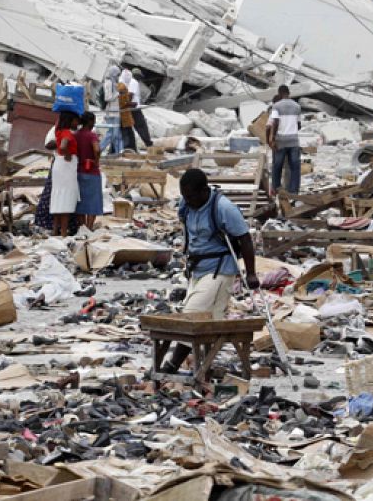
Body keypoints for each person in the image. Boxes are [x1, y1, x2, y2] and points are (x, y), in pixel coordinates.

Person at [162, 169, 260, 374]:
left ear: (204, 191)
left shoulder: (223, 207)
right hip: (197, 269)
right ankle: (204, 369)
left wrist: (251, 273)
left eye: (191, 196)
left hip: (220, 269)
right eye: (184, 196)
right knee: (209, 322)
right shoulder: (186, 205)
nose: (187, 200)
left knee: (192, 317)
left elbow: (244, 238)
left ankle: (171, 366)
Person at [266, 85, 302, 194]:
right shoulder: (297, 106)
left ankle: (277, 188)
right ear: (289, 93)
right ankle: (293, 191)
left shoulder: (276, 106)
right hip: (294, 140)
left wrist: (272, 138)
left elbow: (275, 122)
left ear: (280, 93)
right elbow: (299, 125)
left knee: (277, 165)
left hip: (280, 140)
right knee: (295, 167)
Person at [50, 111, 81, 237]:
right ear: (71, 120)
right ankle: (63, 232)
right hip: (66, 166)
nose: (78, 123)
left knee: (58, 197)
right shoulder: (67, 133)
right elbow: (63, 146)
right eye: (76, 120)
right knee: (66, 199)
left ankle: (55, 230)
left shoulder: (59, 130)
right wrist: (68, 154)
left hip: (59, 164)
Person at [74, 112, 102, 230]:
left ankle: (82, 227)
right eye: (93, 121)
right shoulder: (92, 135)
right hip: (91, 171)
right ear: (90, 122)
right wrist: (96, 161)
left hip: (78, 171)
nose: (94, 123)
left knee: (80, 200)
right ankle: (89, 227)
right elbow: (97, 149)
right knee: (93, 201)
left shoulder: (76, 134)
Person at [124, 68, 153, 148]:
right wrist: (129, 104)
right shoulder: (134, 82)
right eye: (139, 76)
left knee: (129, 129)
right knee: (141, 126)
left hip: (129, 108)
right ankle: (149, 144)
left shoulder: (128, 82)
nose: (140, 78)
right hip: (134, 109)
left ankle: (131, 147)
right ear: (136, 75)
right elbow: (130, 95)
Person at [99, 65, 123, 155]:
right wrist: (117, 94)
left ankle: (119, 153)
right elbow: (107, 97)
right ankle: (99, 149)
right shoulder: (108, 82)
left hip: (116, 112)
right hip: (112, 113)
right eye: (117, 74)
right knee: (113, 134)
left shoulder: (114, 82)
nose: (118, 76)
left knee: (117, 135)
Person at [117, 81, 136, 151]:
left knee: (129, 134)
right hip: (123, 117)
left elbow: (125, 102)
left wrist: (129, 103)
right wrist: (129, 104)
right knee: (125, 135)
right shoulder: (120, 88)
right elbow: (122, 104)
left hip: (126, 117)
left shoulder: (122, 86)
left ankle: (131, 149)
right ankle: (126, 149)